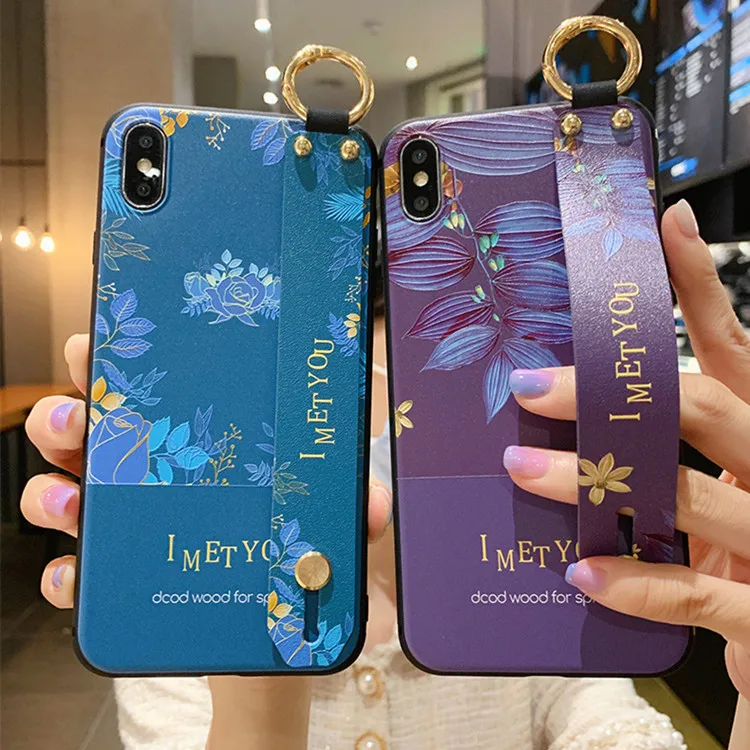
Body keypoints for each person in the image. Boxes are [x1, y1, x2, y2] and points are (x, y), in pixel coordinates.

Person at [21, 200, 750, 749]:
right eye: (338, 400)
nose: (384, 432)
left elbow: (616, 730)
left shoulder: (523, 591)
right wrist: (261, 673)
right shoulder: (187, 609)